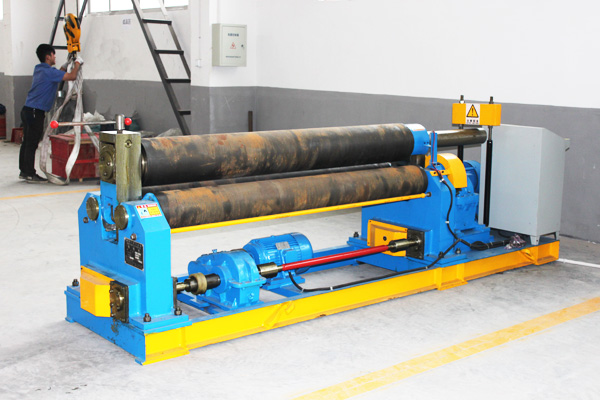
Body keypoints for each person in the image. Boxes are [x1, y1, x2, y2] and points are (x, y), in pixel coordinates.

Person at [19, 44, 83, 183]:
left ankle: (24, 171)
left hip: (27, 110)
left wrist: (65, 66)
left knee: (27, 141)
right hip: (36, 111)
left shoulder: (40, 69)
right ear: (48, 57)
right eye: (53, 55)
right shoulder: (50, 72)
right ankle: (29, 173)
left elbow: (57, 74)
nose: (55, 57)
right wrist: (78, 63)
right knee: (32, 143)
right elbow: (72, 76)